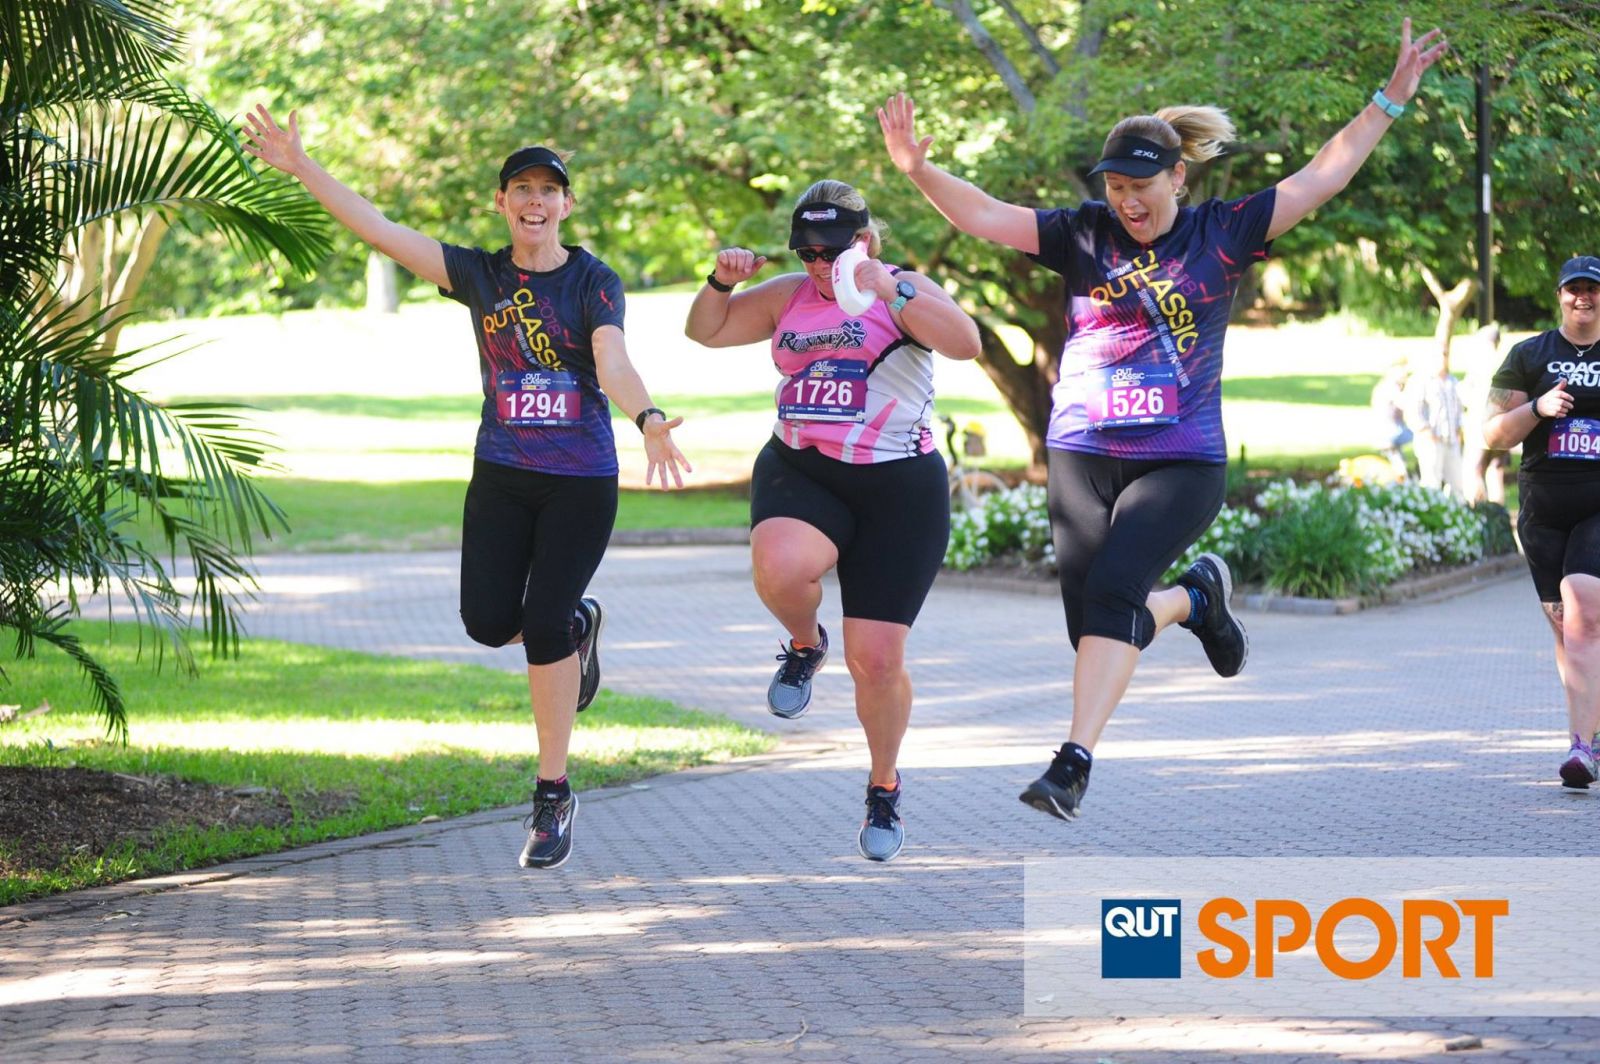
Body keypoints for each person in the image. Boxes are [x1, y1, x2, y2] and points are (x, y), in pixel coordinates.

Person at [878, 18, 1446, 821]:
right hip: (1082, 450)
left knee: (1113, 592)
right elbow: (983, 213)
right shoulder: (1081, 232)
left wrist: (1389, 98)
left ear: (1179, 176)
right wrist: (917, 169)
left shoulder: (1225, 231)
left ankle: (1071, 764)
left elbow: (1325, 173)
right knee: (1095, 627)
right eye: (1115, 186)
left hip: (1180, 458)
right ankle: (1195, 599)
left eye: (1140, 186)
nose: (1126, 200)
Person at [241, 106, 690, 869]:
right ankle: (578, 626)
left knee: (540, 625)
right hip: (503, 477)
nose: (536, 201)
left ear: (566, 206)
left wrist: (645, 415)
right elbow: (380, 229)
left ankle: (551, 794)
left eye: (550, 189)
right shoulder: (480, 274)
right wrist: (303, 167)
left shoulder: (594, 281)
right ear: (503, 202)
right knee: (488, 623)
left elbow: (611, 359)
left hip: (580, 480)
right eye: (522, 187)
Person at [683, 180, 981, 861]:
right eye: (808, 252)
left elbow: (965, 343)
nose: (820, 264)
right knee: (781, 566)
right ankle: (802, 643)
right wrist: (719, 283)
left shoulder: (899, 287)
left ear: (864, 240)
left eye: (832, 250)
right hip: (805, 467)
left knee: (876, 663)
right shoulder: (790, 293)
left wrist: (889, 289)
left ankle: (883, 783)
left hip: (898, 488)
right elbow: (707, 330)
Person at [1482, 255, 1600, 789]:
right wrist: (1539, 408)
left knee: (1582, 609)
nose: (1584, 298)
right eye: (1574, 289)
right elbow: (1492, 435)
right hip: (1543, 511)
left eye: (1593, 290)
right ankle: (1591, 728)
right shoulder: (1529, 355)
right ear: (1559, 295)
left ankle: (1580, 749)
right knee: (1566, 628)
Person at [1404, 342, 1465, 497]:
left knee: (1457, 484)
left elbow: (1459, 410)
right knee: (1431, 484)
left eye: (1445, 354)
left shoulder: (1453, 381)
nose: (1442, 358)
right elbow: (1413, 412)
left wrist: (1459, 429)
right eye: (1439, 354)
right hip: (1430, 441)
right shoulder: (1420, 381)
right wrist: (1427, 433)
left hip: (1451, 441)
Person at [1461, 323, 1509, 504]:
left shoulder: (1478, 364)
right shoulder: (1505, 362)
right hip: (1502, 424)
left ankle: (1479, 511)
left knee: (1475, 469)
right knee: (1496, 469)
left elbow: (1467, 396)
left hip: (1480, 423)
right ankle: (1499, 512)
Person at [1371, 360, 1414, 481]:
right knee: (1422, 434)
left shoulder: (1383, 386)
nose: (1405, 373)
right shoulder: (1390, 387)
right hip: (1390, 431)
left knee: (1399, 464)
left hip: (1387, 431)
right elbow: (1404, 403)